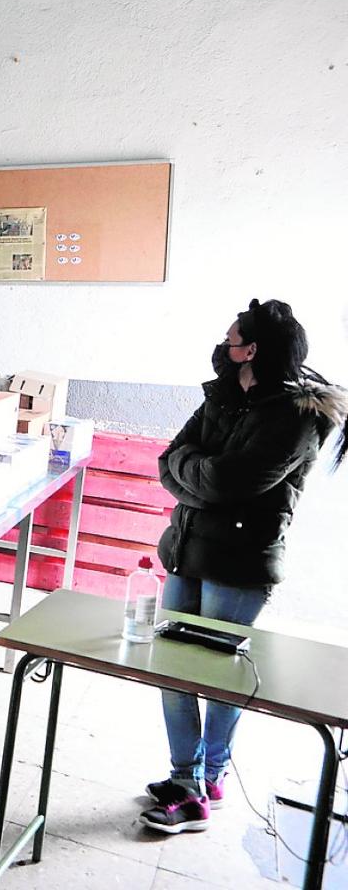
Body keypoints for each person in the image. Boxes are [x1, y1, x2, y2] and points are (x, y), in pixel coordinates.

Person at [141, 299, 347, 834]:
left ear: (250, 351)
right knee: (172, 670)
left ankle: (209, 780)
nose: (222, 346)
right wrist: (200, 477)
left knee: (217, 678)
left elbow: (229, 483)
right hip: (186, 552)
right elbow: (170, 462)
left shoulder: (297, 417)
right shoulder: (224, 399)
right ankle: (183, 778)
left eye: (230, 338)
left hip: (239, 567)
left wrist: (199, 478)